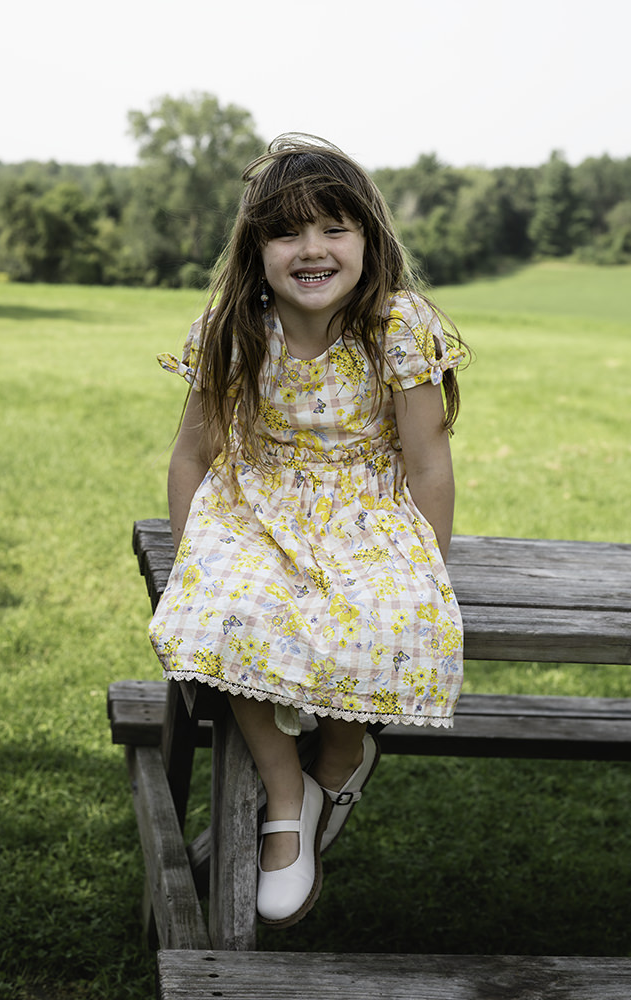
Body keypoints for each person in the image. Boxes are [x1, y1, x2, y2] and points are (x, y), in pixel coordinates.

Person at [150, 133, 467, 929]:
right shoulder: (235, 331)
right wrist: (198, 560)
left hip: (366, 512)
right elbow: (191, 456)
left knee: (382, 613)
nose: (312, 249)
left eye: (334, 227)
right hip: (254, 506)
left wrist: (426, 566)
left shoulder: (397, 326)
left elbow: (427, 463)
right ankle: (286, 797)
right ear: (256, 250)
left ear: (368, 238)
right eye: (287, 232)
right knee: (224, 611)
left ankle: (339, 749)